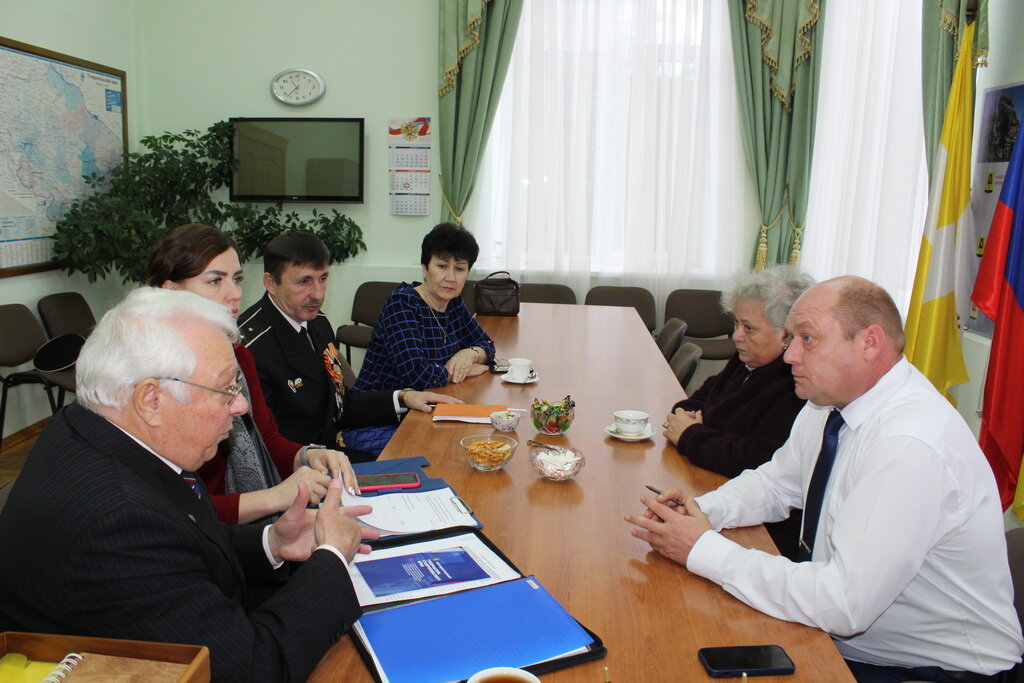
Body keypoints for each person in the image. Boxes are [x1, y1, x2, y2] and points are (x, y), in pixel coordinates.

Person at [626, 276, 1024, 681]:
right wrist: (700, 510)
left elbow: (843, 605)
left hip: (931, 669)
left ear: (869, 342)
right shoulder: (828, 403)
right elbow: (777, 483)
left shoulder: (909, 443)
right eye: (791, 338)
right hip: (848, 640)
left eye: (807, 339)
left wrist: (703, 549)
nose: (789, 355)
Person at [0, 287, 378, 682]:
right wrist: (333, 556)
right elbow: (253, 670)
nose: (240, 406)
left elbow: (178, 543)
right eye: (226, 389)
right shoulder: (118, 521)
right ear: (152, 400)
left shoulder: (94, 427)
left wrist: (272, 543)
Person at [147, 223, 357, 524]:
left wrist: (308, 455)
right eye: (215, 282)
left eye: (236, 279)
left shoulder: (239, 355)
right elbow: (174, 510)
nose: (234, 294)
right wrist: (274, 497)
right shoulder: (153, 374)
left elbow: (268, 438)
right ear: (171, 291)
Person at [238, 232, 457, 460]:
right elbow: (262, 446)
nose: (318, 294)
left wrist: (403, 398)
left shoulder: (317, 323)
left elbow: (340, 404)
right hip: (294, 469)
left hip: (328, 456)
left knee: (432, 460)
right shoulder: (250, 347)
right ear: (270, 283)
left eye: (323, 278)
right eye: (304, 281)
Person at [663, 266, 812, 559]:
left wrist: (692, 435)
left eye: (749, 328)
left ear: (786, 335)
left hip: (762, 531)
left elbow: (756, 459)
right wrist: (692, 423)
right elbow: (696, 400)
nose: (736, 336)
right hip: (716, 490)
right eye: (736, 324)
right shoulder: (748, 360)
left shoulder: (795, 385)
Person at [348, 223, 495, 453]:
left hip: (422, 413)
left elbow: (488, 347)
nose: (450, 277)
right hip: (377, 422)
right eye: (442, 266)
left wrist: (469, 354)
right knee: (454, 451)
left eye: (460, 268)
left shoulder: (453, 304)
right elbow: (416, 374)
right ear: (425, 268)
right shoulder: (403, 303)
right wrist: (459, 370)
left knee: (481, 439)